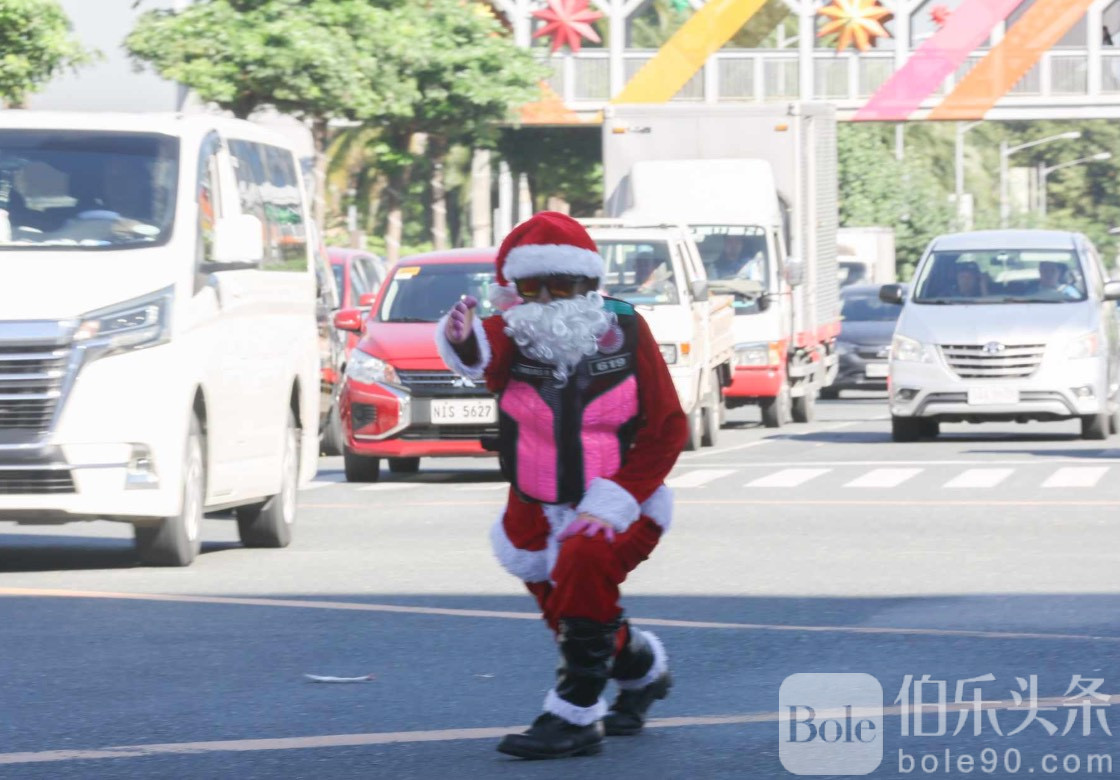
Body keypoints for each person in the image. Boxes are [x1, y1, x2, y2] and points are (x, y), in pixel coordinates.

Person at [436, 212, 688, 760]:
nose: (548, 299)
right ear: (515, 290)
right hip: (532, 505)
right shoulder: (512, 330)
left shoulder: (628, 329)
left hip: (621, 499)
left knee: (582, 557)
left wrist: (614, 501)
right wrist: (461, 338)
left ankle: (574, 714)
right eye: (533, 287)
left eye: (563, 285)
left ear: (589, 284)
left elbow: (669, 427)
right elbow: (481, 354)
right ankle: (642, 670)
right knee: (569, 609)